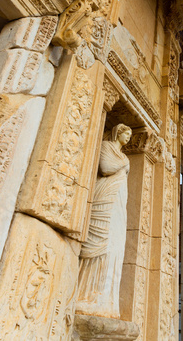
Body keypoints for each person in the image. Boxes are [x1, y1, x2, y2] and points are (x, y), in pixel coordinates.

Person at [77, 124, 132, 318]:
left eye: (131, 134)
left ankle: (106, 297)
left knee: (115, 244)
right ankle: (87, 294)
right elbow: (106, 167)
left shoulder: (124, 157)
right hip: (104, 196)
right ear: (118, 132)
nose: (129, 137)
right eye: (126, 133)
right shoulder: (106, 147)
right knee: (102, 239)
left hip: (118, 200)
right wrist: (123, 165)